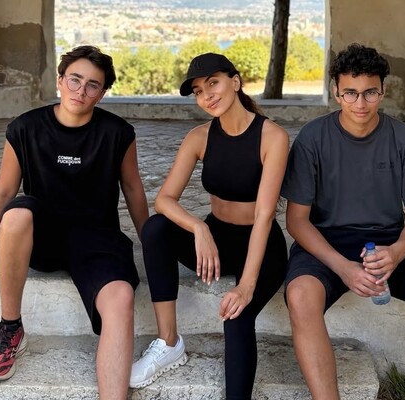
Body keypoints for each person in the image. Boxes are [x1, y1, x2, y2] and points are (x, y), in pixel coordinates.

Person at [0, 45, 148, 400]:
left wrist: (151, 247)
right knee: (17, 212)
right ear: (60, 80)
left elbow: (134, 191)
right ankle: (10, 328)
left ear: (102, 93)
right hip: (43, 237)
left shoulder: (117, 133)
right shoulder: (25, 128)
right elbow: (4, 191)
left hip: (97, 239)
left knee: (122, 297)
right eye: (75, 79)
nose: (81, 90)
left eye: (92, 85)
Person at [281, 43, 405, 399]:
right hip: (326, 243)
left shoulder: (404, 139)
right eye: (350, 93)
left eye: (370, 92)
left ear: (383, 91)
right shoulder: (312, 138)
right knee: (301, 296)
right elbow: (296, 221)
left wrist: (396, 253)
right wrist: (342, 267)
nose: (360, 103)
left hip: (389, 243)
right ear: (336, 92)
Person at [129, 53, 289, 400]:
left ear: (235, 82)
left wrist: (246, 286)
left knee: (237, 317)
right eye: (199, 91)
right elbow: (164, 200)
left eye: (213, 83)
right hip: (217, 239)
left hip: (262, 245)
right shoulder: (199, 137)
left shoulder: (272, 137)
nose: (207, 96)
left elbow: (265, 215)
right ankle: (168, 342)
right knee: (156, 229)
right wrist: (199, 229)